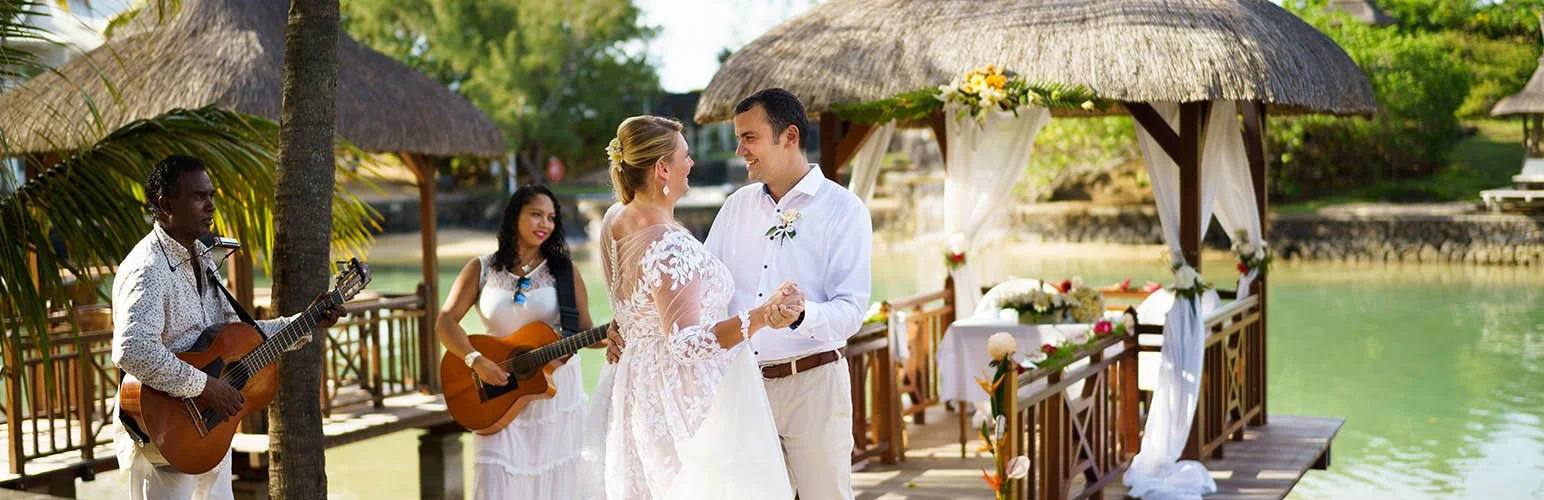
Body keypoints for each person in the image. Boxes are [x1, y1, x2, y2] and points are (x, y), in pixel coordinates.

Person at [589, 115, 801, 499]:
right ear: (662, 168)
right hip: (684, 400)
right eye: (685, 156)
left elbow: (626, 306)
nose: (692, 164)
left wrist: (623, 330)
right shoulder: (670, 245)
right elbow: (686, 344)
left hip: (636, 386)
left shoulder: (614, 220)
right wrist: (761, 316)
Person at [111, 155, 343, 500]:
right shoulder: (147, 269)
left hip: (211, 428)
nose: (210, 206)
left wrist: (305, 320)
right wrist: (205, 387)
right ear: (165, 204)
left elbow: (237, 335)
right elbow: (134, 349)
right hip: (166, 430)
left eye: (212, 196)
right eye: (198, 196)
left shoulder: (203, 258)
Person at [707, 88, 873, 499]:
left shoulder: (844, 210)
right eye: (739, 137)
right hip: (745, 386)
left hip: (814, 385)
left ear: (790, 136)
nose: (740, 149)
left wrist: (802, 314)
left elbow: (851, 310)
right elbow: (704, 290)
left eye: (750, 137)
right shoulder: (734, 208)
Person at [436, 185, 597, 498]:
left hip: (555, 396)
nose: (545, 224)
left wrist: (613, 336)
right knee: (494, 479)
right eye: (536, 214)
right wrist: (475, 360)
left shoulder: (564, 272)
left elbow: (584, 329)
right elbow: (445, 321)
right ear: (514, 217)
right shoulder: (480, 269)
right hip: (495, 391)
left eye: (551, 217)